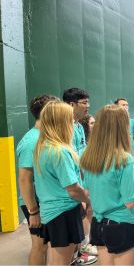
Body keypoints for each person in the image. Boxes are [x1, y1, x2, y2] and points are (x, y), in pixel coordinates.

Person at [81, 105, 134, 266]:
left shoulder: (89, 157)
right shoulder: (124, 159)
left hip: (98, 224)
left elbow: (86, 191)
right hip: (121, 224)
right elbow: (131, 200)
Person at [33, 101, 90, 265]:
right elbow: (73, 189)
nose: (73, 123)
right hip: (63, 213)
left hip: (52, 212)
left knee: (57, 259)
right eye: (70, 119)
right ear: (61, 122)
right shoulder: (60, 151)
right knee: (61, 262)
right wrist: (88, 200)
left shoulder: (44, 146)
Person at [17, 94, 59, 265]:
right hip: (36, 203)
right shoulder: (31, 141)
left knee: (48, 243)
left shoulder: (47, 136)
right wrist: (33, 212)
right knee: (39, 244)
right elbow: (25, 180)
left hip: (48, 199)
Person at [63, 88, 97, 262]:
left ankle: (79, 251)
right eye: (84, 103)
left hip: (81, 180)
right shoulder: (62, 128)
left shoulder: (78, 126)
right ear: (71, 104)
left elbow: (81, 155)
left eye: (87, 102)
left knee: (84, 213)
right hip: (68, 188)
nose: (87, 106)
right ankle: (76, 252)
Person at [115, 98, 134, 162]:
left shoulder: (132, 121)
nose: (126, 107)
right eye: (123, 105)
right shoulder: (112, 121)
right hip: (117, 155)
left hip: (130, 154)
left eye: (127, 105)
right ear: (116, 107)